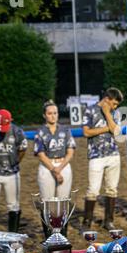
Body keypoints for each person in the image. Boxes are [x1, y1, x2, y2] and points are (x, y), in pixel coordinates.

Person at [82, 88, 123, 231]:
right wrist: (107, 128)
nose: (115, 107)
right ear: (107, 99)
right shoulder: (90, 110)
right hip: (95, 155)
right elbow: (86, 132)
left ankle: (108, 221)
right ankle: (86, 223)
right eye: (114, 103)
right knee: (92, 190)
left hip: (113, 155)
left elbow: (116, 131)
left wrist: (107, 113)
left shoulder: (114, 113)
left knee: (112, 189)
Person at [34, 100, 76, 237]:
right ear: (44, 115)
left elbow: (70, 151)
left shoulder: (65, 130)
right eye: (50, 113)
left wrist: (60, 168)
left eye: (55, 113)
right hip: (47, 167)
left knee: (63, 202)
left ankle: (63, 235)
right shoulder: (40, 131)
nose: (53, 116)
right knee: (47, 202)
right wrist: (54, 169)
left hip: (63, 164)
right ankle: (48, 235)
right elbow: (40, 154)